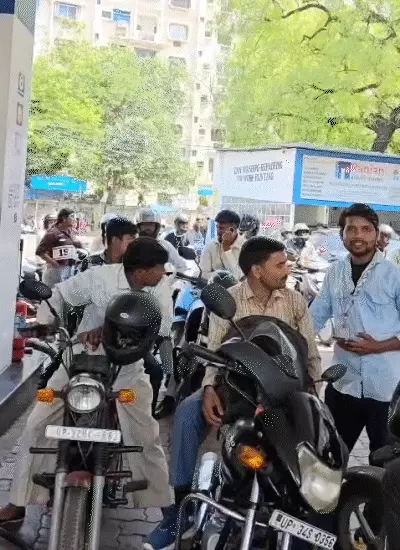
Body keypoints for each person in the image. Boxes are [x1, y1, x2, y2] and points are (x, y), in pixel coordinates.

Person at [145, 236, 321, 550]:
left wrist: (314, 391)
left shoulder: (295, 301)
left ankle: (303, 509)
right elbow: (213, 349)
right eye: (280, 265)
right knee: (186, 413)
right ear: (257, 270)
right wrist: (209, 388)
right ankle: (181, 507)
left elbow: (311, 353)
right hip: (237, 386)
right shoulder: (229, 300)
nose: (287, 270)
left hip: (283, 391)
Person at [0, 238, 173, 529]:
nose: (163, 273)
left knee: (146, 432)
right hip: (79, 360)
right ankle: (18, 502)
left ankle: (165, 508)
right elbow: (60, 294)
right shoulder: (99, 278)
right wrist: (48, 321)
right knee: (37, 423)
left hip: (128, 368)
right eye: (159, 267)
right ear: (141, 270)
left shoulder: (160, 288)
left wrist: (110, 327)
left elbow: (165, 325)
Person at [310, 203, 400, 456]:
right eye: (351, 229)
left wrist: (378, 346)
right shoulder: (335, 272)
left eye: (365, 229)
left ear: (376, 234)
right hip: (344, 381)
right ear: (342, 235)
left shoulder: (393, 275)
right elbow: (315, 316)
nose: (358, 235)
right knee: (331, 456)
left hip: (386, 387)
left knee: (385, 459)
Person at [36, 208, 82, 288]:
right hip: (55, 273)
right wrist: (54, 263)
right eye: (72, 217)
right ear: (64, 218)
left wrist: (77, 245)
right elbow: (40, 252)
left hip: (68, 272)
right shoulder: (52, 233)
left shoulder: (71, 232)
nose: (74, 219)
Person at [136, 208, 188, 273]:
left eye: (151, 224)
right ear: (139, 227)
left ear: (156, 227)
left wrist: (167, 276)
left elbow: (182, 266)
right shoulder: (130, 246)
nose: (148, 227)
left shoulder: (165, 246)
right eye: (144, 224)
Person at [199, 209, 244, 280]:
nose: (218, 231)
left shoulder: (245, 247)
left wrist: (227, 251)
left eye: (221, 228)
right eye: (217, 227)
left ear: (232, 230)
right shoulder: (211, 246)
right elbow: (201, 273)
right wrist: (217, 275)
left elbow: (237, 276)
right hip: (213, 286)